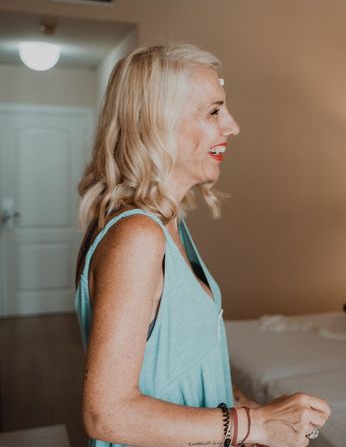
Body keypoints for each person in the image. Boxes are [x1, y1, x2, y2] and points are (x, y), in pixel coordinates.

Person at [75, 43, 330, 447]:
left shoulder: (169, 223)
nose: (232, 126)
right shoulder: (137, 236)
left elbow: (187, 364)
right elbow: (106, 414)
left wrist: (261, 413)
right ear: (154, 123)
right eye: (213, 111)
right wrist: (253, 425)